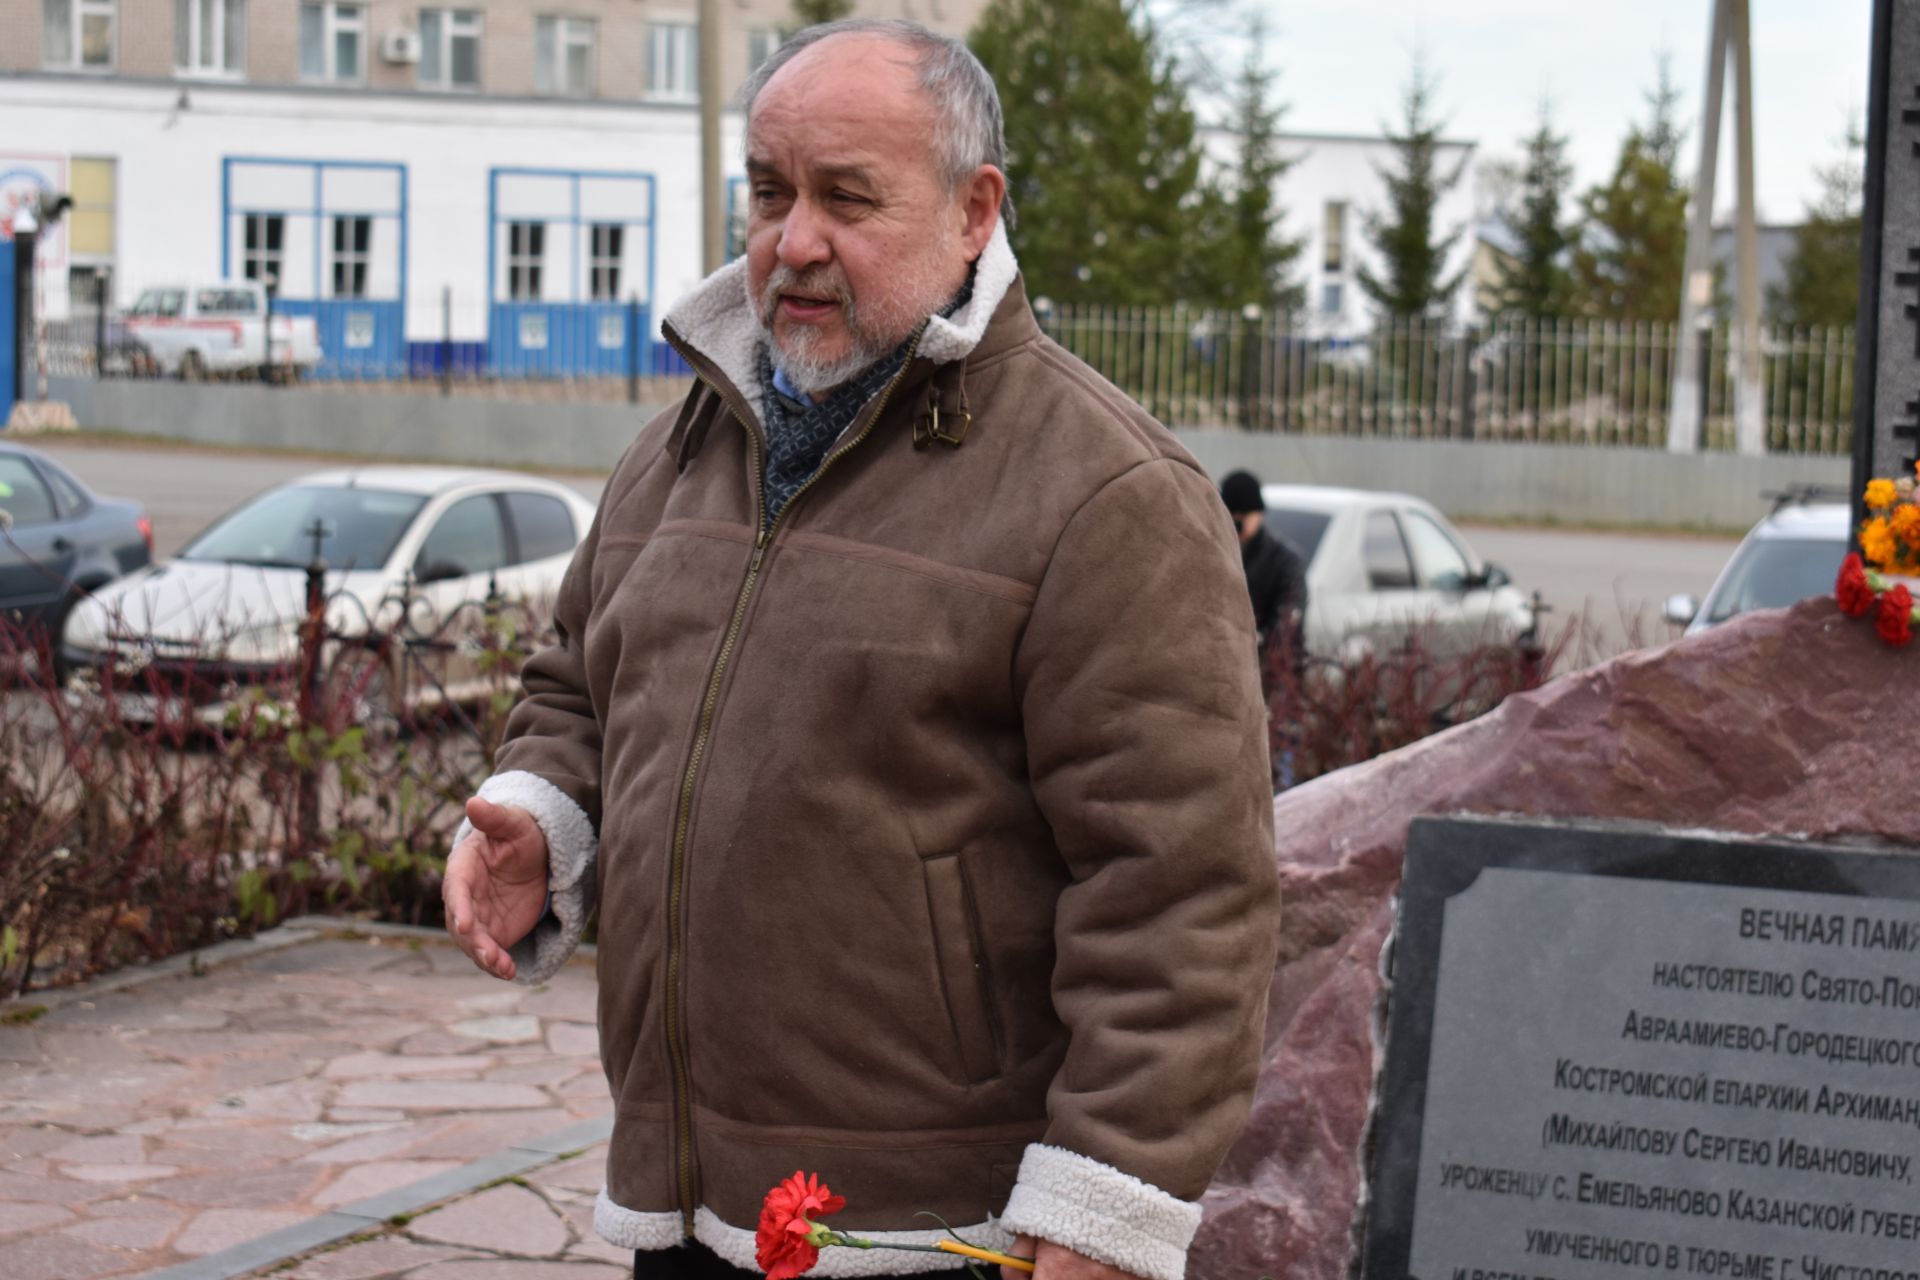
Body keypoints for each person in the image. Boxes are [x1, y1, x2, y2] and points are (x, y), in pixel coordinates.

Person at [442, 21, 1279, 1280]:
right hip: (690, 1201)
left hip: (934, 1230)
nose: (795, 241)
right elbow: (578, 675)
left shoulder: (1111, 494)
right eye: (771, 193)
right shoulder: (685, 443)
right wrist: (541, 808)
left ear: (972, 211)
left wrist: (1110, 1193)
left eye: (848, 197)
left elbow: (1181, 888)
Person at [1217, 470, 1308, 657]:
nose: (1239, 524)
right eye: (1233, 516)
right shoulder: (1214, 554)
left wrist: (1253, 641)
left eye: (1246, 515)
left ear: (1260, 513)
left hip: (1273, 668)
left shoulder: (1285, 561)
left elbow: (1289, 621)